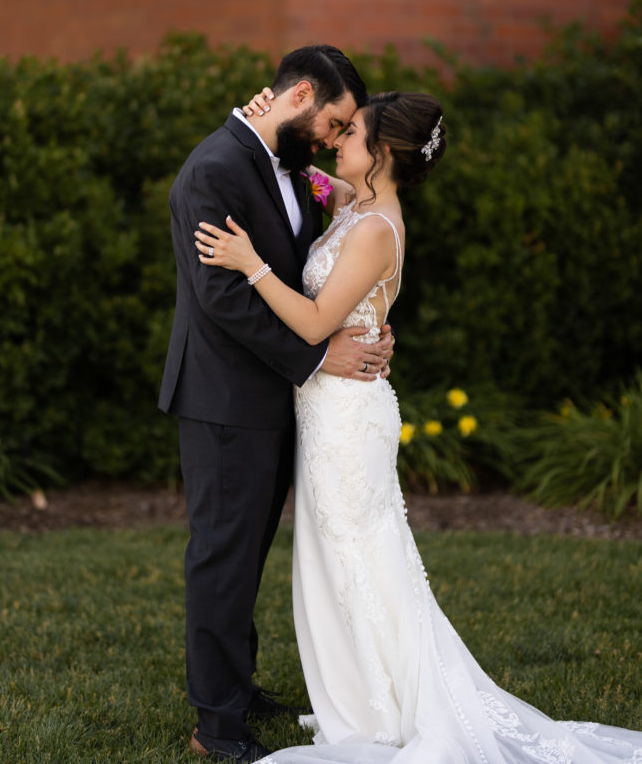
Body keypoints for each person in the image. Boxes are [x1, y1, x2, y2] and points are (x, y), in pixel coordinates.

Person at [195, 90, 642, 764]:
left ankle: (382, 707)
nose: (338, 138)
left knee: (358, 557)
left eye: (351, 133)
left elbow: (316, 324)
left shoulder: (376, 229)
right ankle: (362, 695)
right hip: (329, 409)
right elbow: (302, 181)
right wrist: (258, 116)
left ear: (381, 154)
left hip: (347, 419)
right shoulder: (353, 207)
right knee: (345, 556)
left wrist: (249, 265)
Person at [158, 46, 395, 764]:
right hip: (226, 400)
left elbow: (321, 266)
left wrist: (367, 320)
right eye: (334, 120)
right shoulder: (215, 170)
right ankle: (217, 724)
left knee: (247, 553)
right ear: (298, 95)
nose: (333, 137)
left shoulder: (283, 160)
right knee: (222, 558)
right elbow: (222, 299)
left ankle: (237, 685)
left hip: (275, 399)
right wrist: (323, 355)